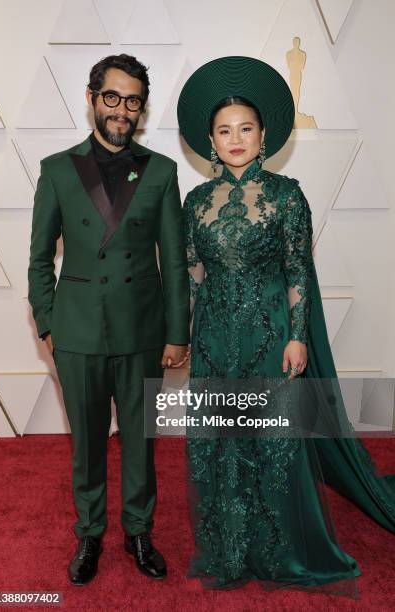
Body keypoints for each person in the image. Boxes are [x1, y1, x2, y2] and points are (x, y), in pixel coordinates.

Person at [177, 56, 395, 593]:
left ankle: (284, 552)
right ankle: (230, 548)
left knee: (273, 440)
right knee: (219, 438)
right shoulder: (196, 201)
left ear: (263, 134)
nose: (235, 139)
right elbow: (194, 274)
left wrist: (297, 335)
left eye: (245, 129)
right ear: (210, 139)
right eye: (224, 130)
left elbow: (299, 268)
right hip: (213, 338)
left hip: (269, 333)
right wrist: (183, 336)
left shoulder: (286, 195)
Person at [28, 54, 190, 585]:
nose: (123, 109)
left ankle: (139, 532)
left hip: (143, 331)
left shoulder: (162, 171)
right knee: (88, 442)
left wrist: (176, 332)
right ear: (93, 98)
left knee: (142, 440)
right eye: (113, 97)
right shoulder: (56, 170)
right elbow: (37, 259)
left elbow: (174, 259)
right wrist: (50, 325)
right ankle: (90, 533)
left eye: (133, 101)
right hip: (76, 333)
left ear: (142, 108)